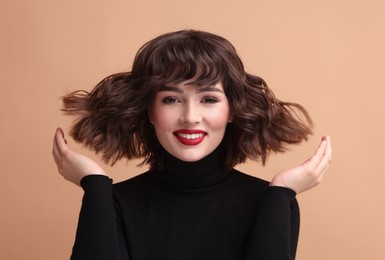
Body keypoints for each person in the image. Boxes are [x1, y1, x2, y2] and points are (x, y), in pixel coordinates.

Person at [52, 30, 332, 260]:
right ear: (149, 111)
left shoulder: (270, 202)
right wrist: (95, 185)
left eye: (208, 99)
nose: (190, 117)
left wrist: (282, 192)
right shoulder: (113, 202)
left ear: (232, 110)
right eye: (171, 99)